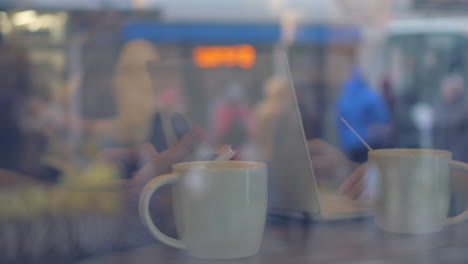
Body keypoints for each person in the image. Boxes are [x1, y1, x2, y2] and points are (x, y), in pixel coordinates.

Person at [336, 66, 390, 163]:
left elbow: (338, 122)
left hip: (348, 144)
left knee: (354, 171)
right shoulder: (372, 97)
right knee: (367, 172)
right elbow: (382, 121)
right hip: (367, 143)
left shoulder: (342, 99)